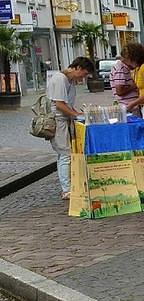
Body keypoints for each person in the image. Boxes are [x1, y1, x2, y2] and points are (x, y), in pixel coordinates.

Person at [48, 56, 94, 199]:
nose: (83, 78)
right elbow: (59, 104)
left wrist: (77, 114)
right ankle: (66, 189)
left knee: (66, 153)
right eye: (84, 74)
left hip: (65, 120)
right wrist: (75, 115)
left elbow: (67, 104)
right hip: (59, 121)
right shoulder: (60, 79)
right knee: (65, 153)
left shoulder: (70, 81)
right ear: (78, 68)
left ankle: (69, 185)